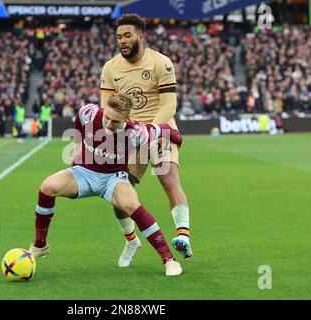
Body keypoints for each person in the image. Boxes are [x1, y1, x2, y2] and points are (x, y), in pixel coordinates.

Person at [28, 93, 183, 276]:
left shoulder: (137, 132)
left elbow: (163, 128)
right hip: (84, 173)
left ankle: (169, 259)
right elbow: (78, 119)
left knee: (132, 205)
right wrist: (77, 145)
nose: (109, 124)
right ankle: (40, 245)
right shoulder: (90, 113)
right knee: (47, 187)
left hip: (113, 178)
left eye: (116, 122)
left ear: (127, 119)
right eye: (107, 118)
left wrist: (178, 140)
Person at [100, 14, 192, 267]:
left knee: (168, 179)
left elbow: (169, 105)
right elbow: (106, 107)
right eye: (119, 37)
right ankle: (131, 240)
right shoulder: (110, 68)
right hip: (129, 138)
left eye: (127, 35)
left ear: (141, 36)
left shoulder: (161, 63)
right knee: (119, 195)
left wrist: (149, 131)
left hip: (160, 131)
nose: (122, 41)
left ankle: (183, 235)